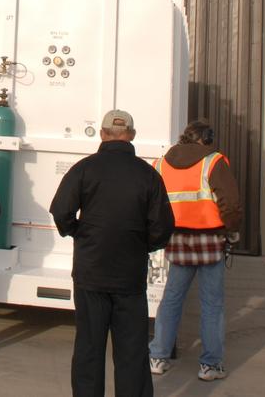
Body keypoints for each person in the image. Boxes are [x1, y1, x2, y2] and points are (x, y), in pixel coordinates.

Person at [50, 109, 175, 397]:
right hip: (129, 277)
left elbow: (61, 211)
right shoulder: (148, 175)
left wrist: (80, 233)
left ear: (104, 134)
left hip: (90, 273)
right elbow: (163, 226)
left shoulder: (85, 168)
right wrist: (142, 244)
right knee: (132, 352)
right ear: (131, 135)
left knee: (88, 349)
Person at [148, 120, 243, 381]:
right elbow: (230, 202)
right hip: (209, 240)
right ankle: (210, 365)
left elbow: (151, 202)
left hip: (176, 239)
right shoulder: (213, 162)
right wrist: (232, 229)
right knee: (212, 304)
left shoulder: (160, 164)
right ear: (206, 139)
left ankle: (157, 356)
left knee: (171, 299)